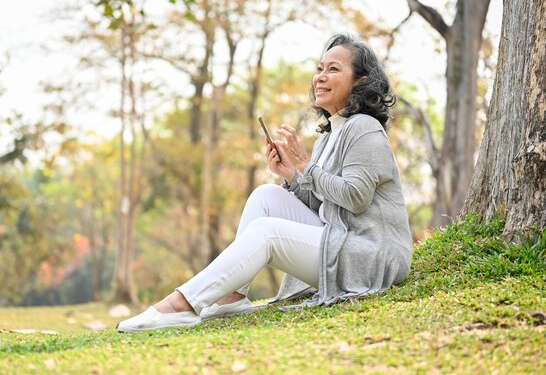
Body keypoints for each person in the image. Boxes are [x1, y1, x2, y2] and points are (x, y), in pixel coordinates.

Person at [117, 33, 413, 332]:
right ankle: (231, 298)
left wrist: (305, 167)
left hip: (372, 258)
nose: (320, 78)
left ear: (361, 82)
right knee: (266, 195)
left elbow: (355, 198)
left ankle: (181, 304)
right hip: (342, 242)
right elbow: (328, 209)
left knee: (267, 232)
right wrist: (292, 176)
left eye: (333, 69)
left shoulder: (364, 127)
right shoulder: (329, 136)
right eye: (319, 68)